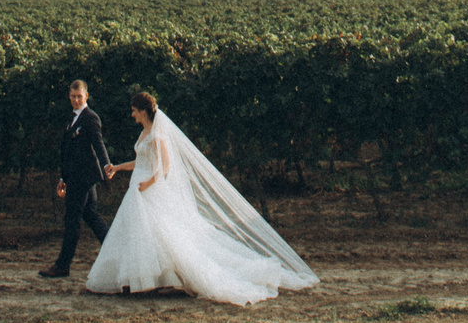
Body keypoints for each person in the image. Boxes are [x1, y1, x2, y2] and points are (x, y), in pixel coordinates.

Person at [84, 90, 318, 305]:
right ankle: (145, 280)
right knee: (140, 234)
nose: (132, 114)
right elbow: (142, 161)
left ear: (144, 111)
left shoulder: (157, 135)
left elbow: (165, 166)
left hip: (148, 189)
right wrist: (118, 168)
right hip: (138, 188)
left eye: (135, 110)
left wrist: (149, 182)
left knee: (163, 234)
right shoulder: (144, 133)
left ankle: (163, 278)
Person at [39, 78, 114, 278]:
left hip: (84, 178)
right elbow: (67, 152)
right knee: (91, 216)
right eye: (73, 96)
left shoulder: (90, 118)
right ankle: (116, 250)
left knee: (72, 220)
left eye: (79, 96)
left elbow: (98, 143)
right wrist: (62, 177)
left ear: (86, 96)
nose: (76, 100)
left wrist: (106, 165)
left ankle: (62, 265)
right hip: (74, 177)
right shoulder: (72, 119)